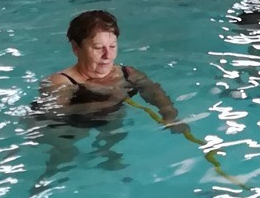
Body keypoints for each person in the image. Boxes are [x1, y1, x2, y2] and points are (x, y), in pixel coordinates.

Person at [35, 10, 185, 128]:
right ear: (76, 47)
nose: (108, 55)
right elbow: (54, 114)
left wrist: (170, 115)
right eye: (98, 48)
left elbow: (153, 91)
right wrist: (110, 100)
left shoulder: (127, 73)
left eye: (112, 46)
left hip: (111, 123)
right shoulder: (60, 82)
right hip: (69, 130)